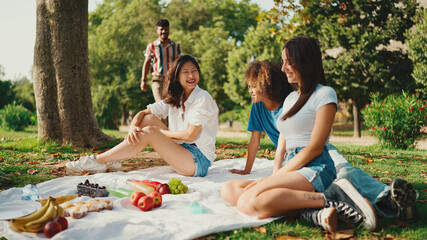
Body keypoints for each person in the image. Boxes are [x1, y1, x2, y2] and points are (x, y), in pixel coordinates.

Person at [228, 60, 419, 225]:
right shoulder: (259, 107)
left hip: (315, 152)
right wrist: (258, 171)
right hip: (292, 158)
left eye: (254, 85)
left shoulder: (293, 100)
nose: (250, 90)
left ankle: (389, 198)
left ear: (266, 84)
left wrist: (275, 177)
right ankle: (314, 210)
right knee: (235, 191)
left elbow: (315, 143)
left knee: (345, 172)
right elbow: (266, 142)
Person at [221, 35, 377, 233]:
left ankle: (333, 199)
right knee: (230, 189)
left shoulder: (325, 94)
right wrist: (275, 174)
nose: (284, 67)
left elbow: (315, 148)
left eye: (289, 62)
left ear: (305, 62)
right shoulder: (290, 99)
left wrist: (274, 179)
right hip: (291, 166)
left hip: (315, 167)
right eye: (284, 62)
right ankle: (313, 212)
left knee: (249, 203)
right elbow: (282, 145)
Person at [67, 55, 218, 177]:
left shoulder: (202, 97)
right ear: (177, 77)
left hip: (198, 161)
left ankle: (96, 161)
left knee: (151, 131)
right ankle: (112, 160)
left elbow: (191, 135)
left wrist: (159, 133)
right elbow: (143, 113)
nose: (191, 75)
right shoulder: (177, 97)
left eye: (194, 71)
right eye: (185, 72)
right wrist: (133, 126)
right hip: (181, 151)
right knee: (147, 120)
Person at [140, 19, 181, 103]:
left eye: (166, 29)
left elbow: (180, 63)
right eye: (161, 29)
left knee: (171, 105)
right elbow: (147, 63)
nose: (163, 31)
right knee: (161, 105)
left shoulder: (175, 46)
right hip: (157, 80)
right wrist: (143, 80)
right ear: (157, 31)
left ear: (169, 30)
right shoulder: (152, 46)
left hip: (171, 81)